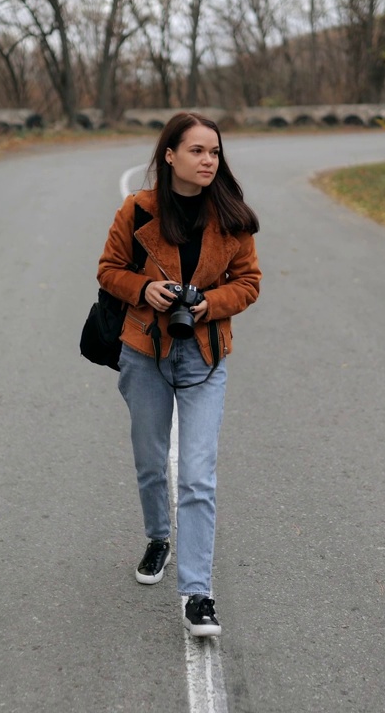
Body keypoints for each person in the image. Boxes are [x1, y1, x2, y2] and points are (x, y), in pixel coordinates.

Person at [96, 112, 261, 637]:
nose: (208, 160)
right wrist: (144, 290)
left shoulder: (233, 217)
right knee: (150, 462)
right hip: (144, 351)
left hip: (205, 357)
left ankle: (198, 595)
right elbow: (108, 269)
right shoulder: (136, 210)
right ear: (170, 156)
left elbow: (249, 282)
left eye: (214, 152)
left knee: (195, 476)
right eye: (197, 151)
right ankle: (158, 537)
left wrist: (208, 302)